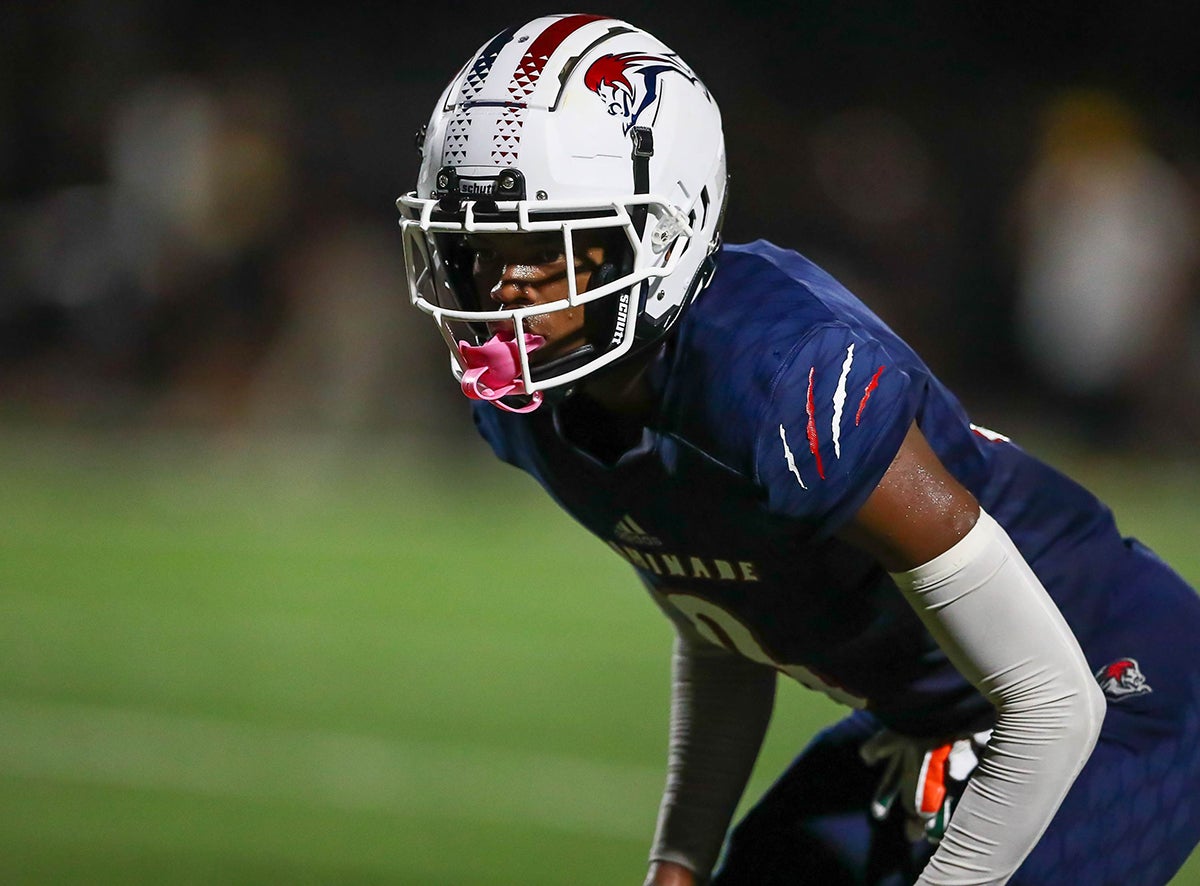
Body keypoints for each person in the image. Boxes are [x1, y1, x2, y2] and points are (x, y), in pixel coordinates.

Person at [397, 14, 1200, 885]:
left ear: (660, 232)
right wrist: (679, 862)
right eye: (476, 245)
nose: (498, 289)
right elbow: (724, 622)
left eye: (540, 246)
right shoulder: (541, 406)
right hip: (935, 719)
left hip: (1114, 686)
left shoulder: (782, 377)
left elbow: (1052, 705)